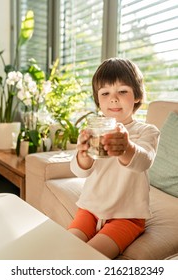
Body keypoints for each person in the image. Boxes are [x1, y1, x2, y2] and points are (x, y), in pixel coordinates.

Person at [68, 57, 160, 259]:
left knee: (89, 257)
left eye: (122, 91)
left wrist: (126, 147)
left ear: (137, 96)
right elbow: (81, 171)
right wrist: (83, 155)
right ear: (98, 100)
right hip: (90, 209)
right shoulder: (95, 130)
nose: (114, 98)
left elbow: (144, 160)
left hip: (127, 216)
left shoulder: (147, 131)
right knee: (67, 247)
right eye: (105, 93)